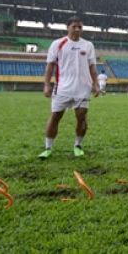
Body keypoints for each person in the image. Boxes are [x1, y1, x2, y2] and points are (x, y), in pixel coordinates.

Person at [38, 16, 100, 159]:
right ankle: (48, 148)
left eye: (80, 27)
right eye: (74, 26)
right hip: (62, 88)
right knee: (55, 117)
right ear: (68, 27)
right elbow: (50, 66)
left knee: (82, 117)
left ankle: (78, 145)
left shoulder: (88, 45)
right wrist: (47, 84)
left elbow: (92, 67)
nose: (77, 29)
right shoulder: (57, 44)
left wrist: (96, 84)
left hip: (83, 88)